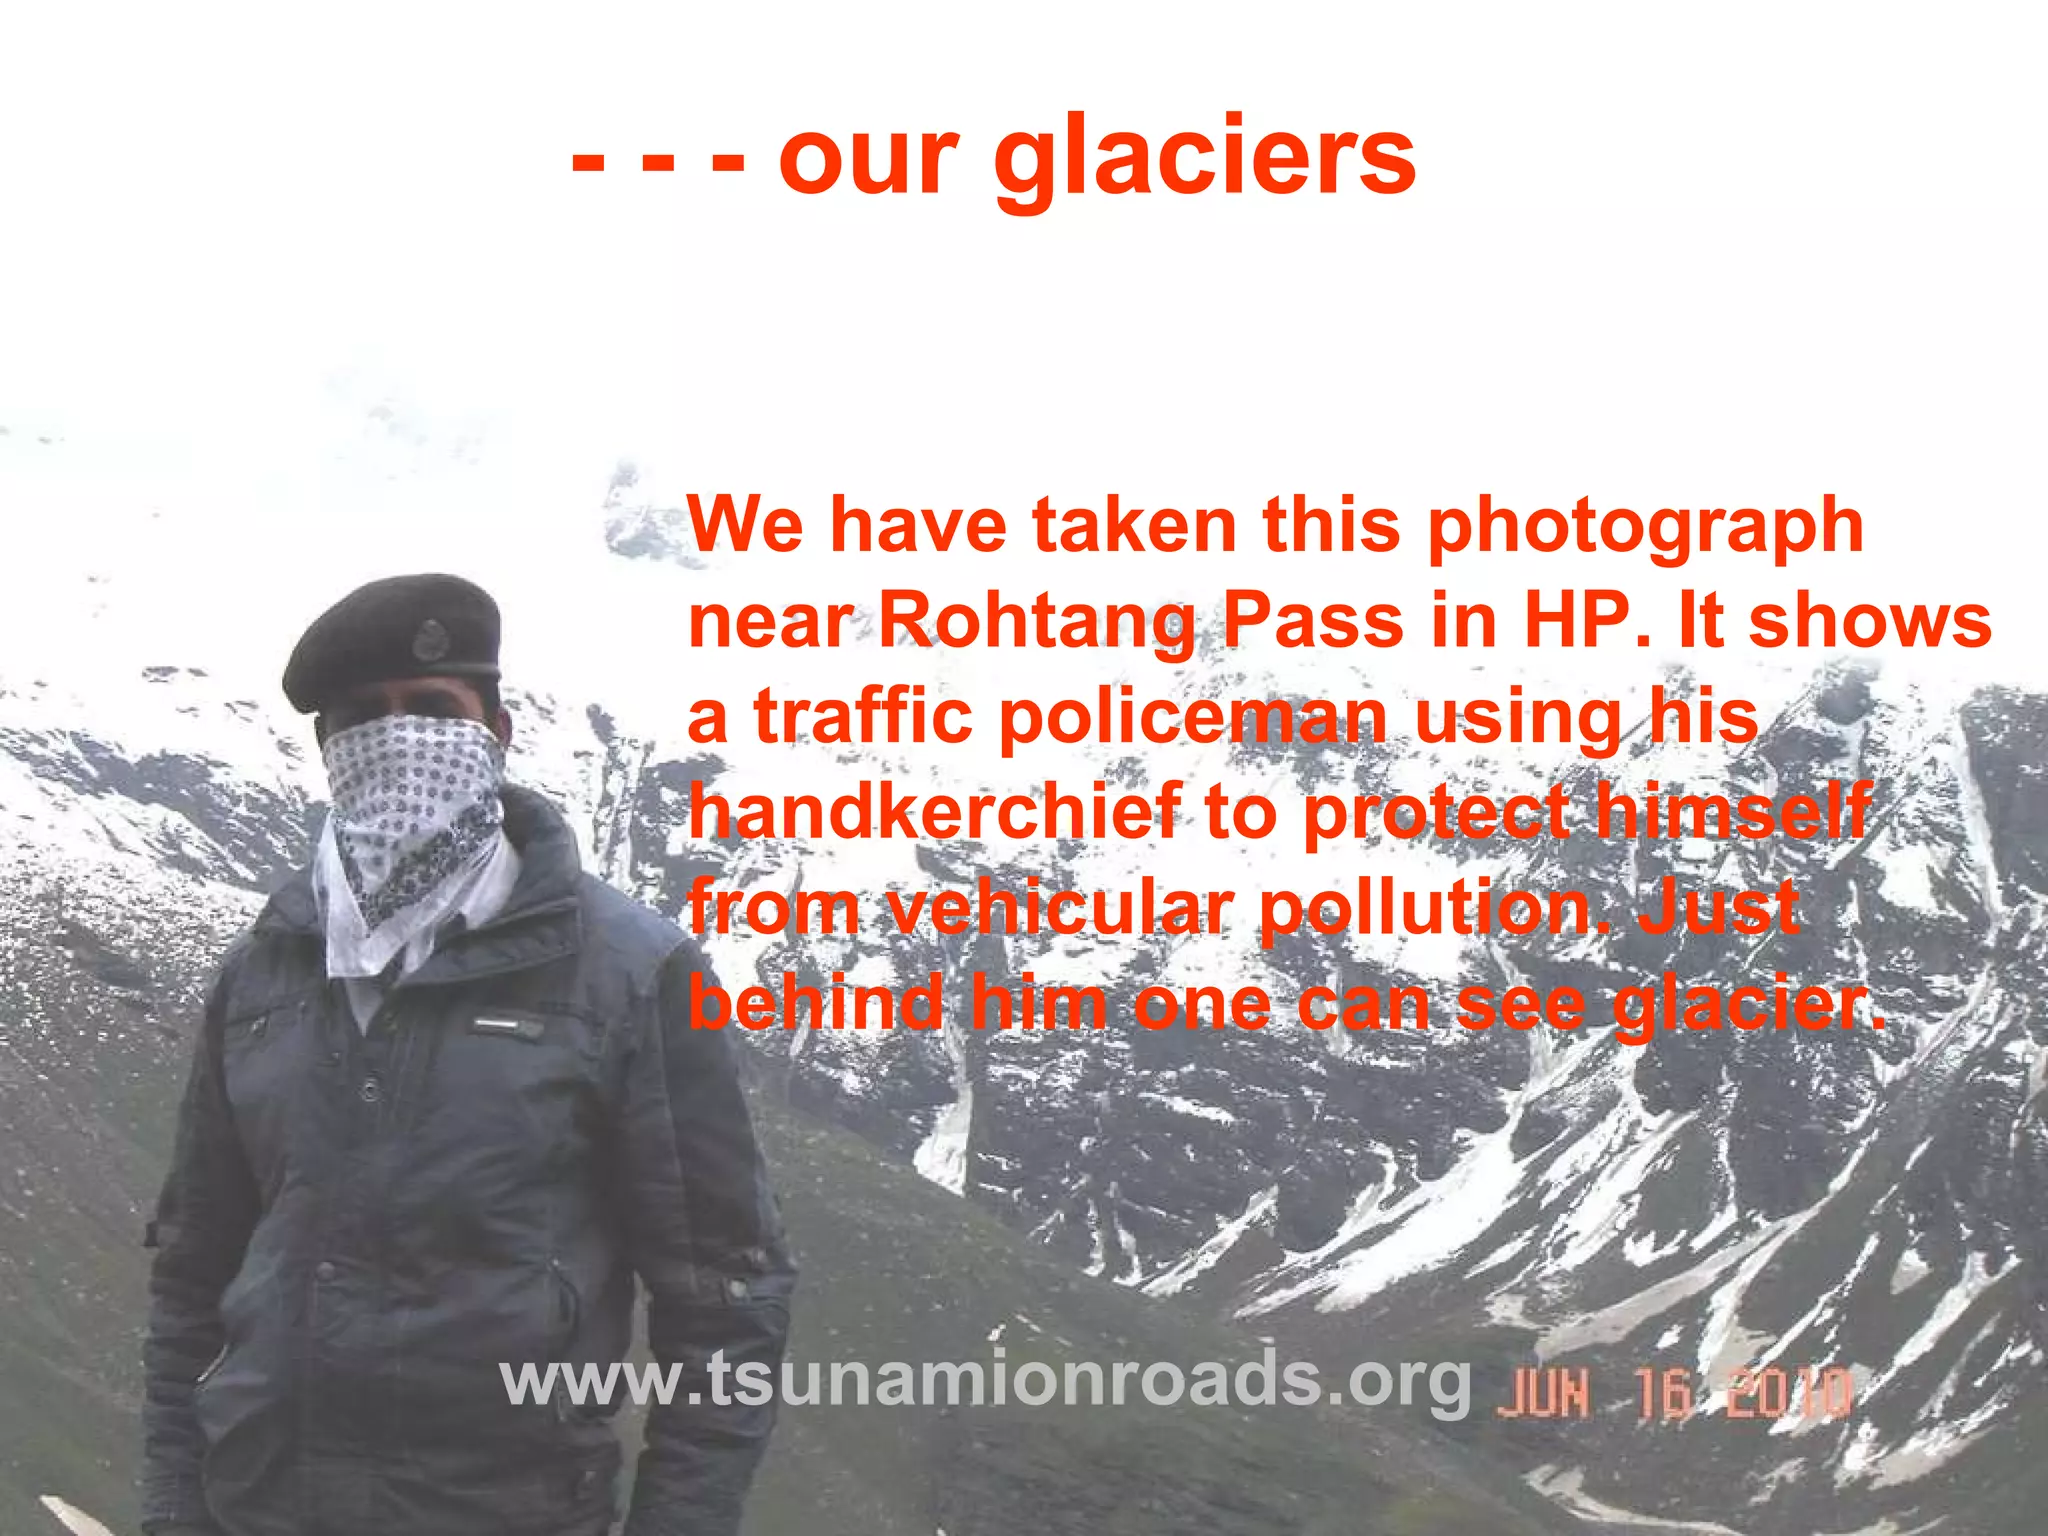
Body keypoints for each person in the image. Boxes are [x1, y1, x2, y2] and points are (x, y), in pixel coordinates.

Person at [139, 572, 796, 1536]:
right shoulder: (264, 972)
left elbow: (727, 1294)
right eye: (364, 717)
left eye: (434, 709)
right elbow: (196, 1271)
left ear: (497, 729)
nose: (401, 739)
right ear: (329, 751)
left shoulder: (634, 972)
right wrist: (170, 1512)